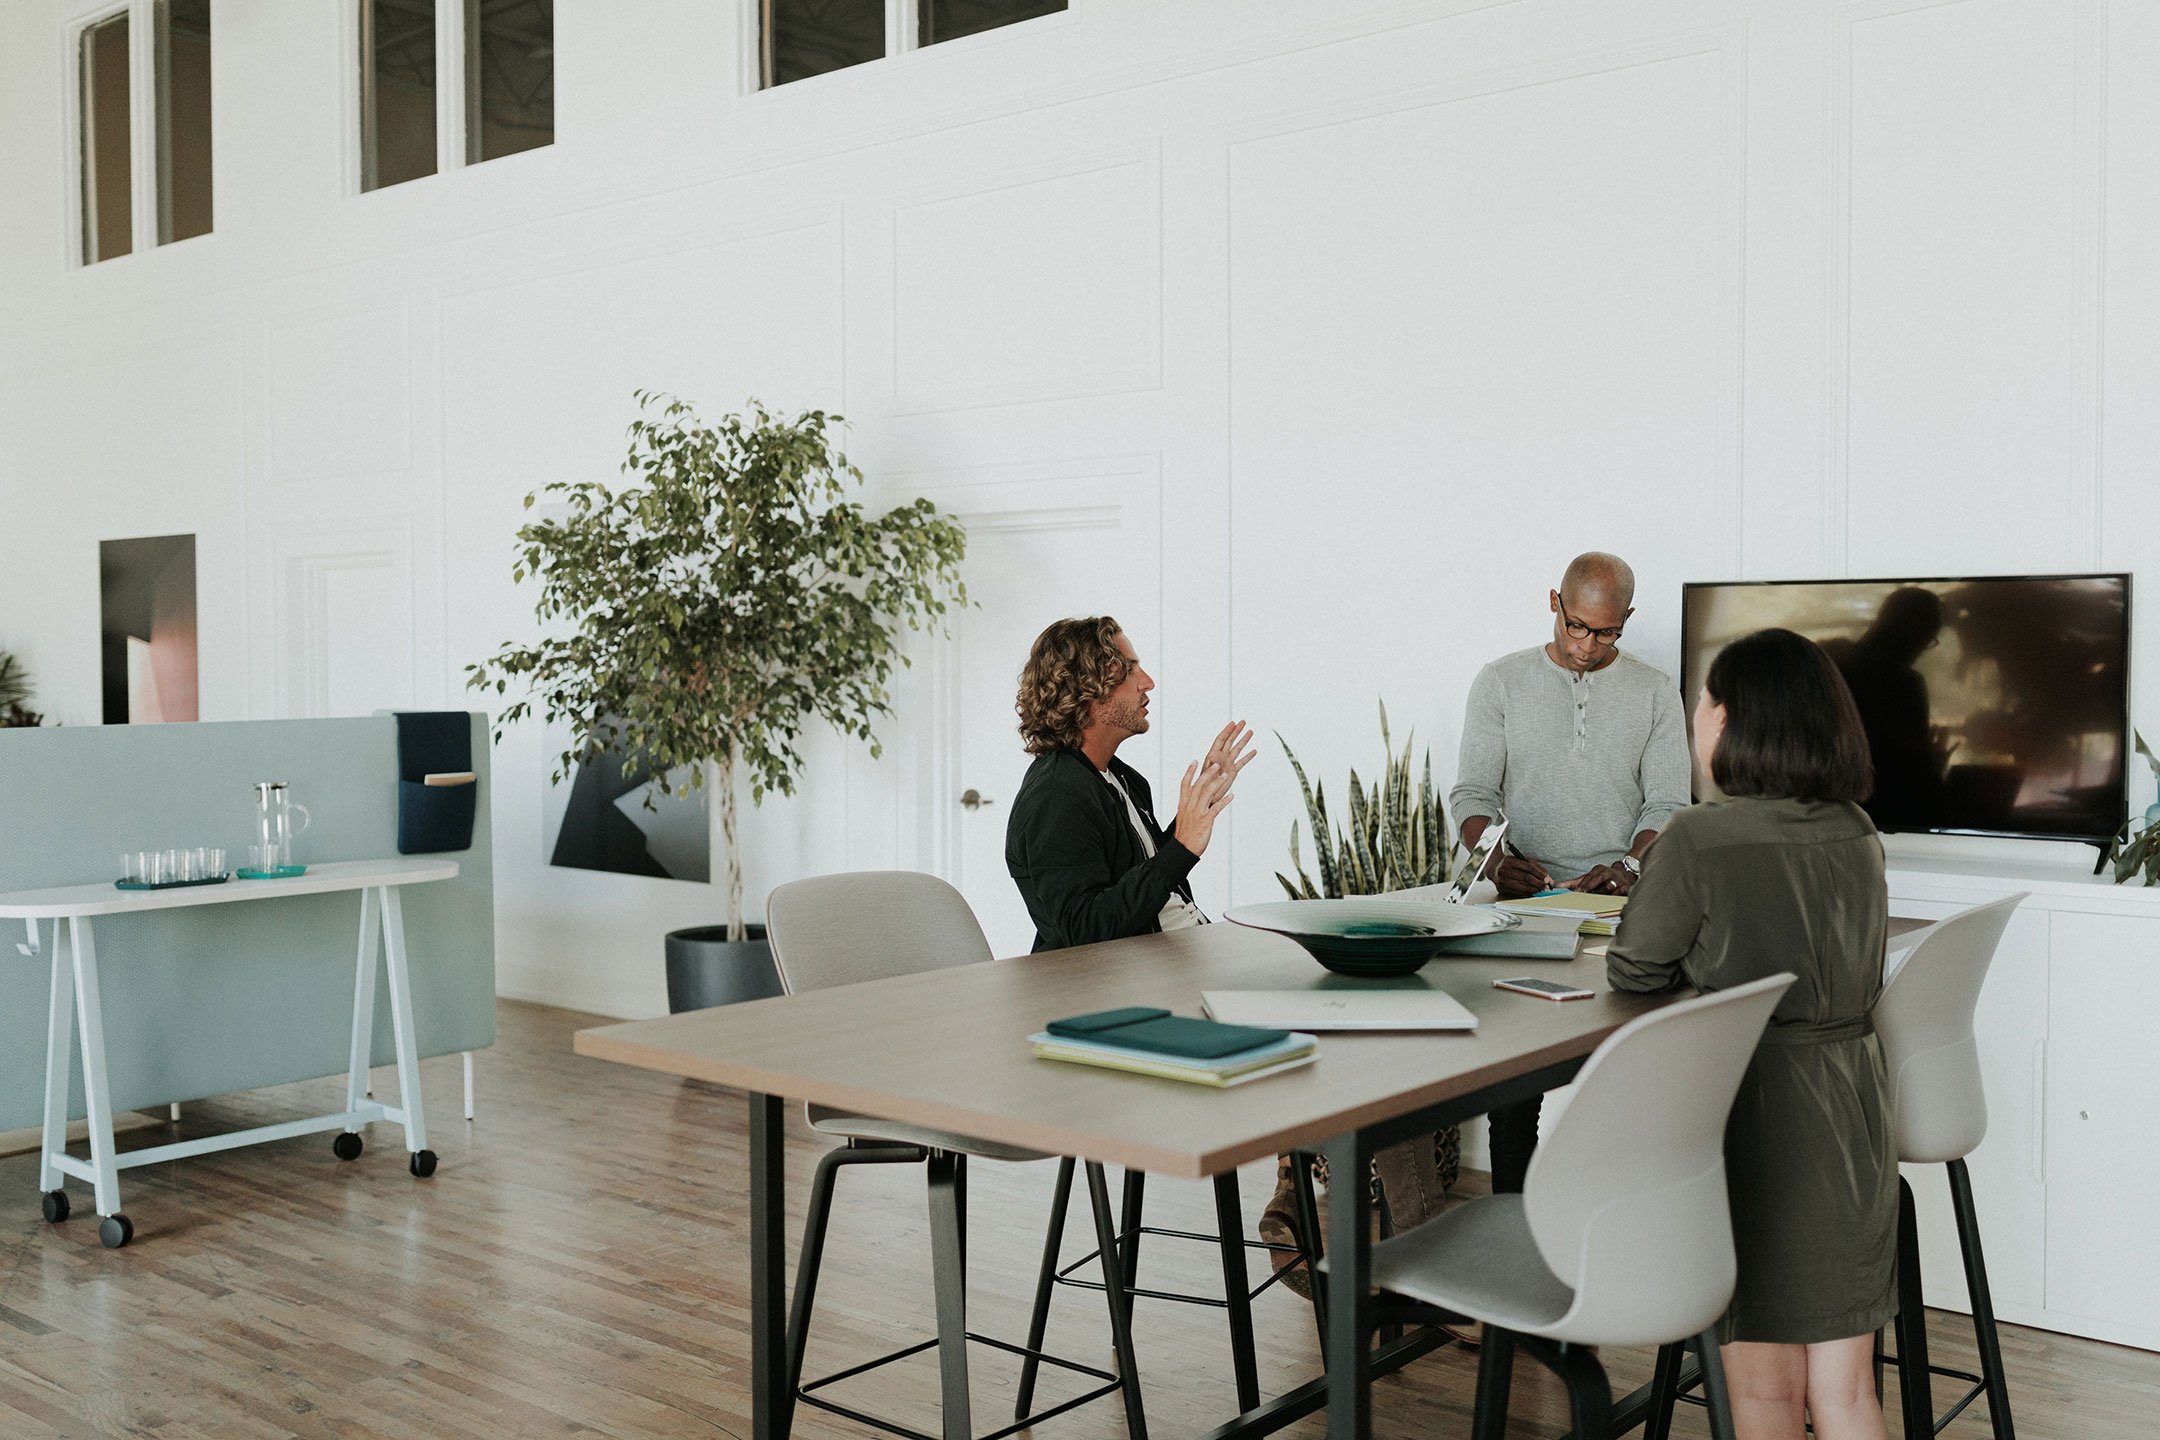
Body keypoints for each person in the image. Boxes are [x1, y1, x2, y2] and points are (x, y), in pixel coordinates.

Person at [1606, 627, 1895, 1440]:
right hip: (1855, 1121)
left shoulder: (1698, 838)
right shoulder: (1858, 830)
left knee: (1763, 1395)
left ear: (1730, 720)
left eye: (1704, 701)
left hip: (1759, 1125)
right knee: (1845, 1394)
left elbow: (1634, 972)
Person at [1448, 552, 1691, 1199]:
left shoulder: (1654, 690)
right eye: (1576, 626)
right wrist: (1497, 860)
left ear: (1627, 621)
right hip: (1522, 905)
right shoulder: (1499, 682)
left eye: (1606, 632)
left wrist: (1632, 866)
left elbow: (1669, 803)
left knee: (1626, 1067)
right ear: (1553, 602)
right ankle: (1511, 1223)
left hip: (1619, 909)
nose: (1587, 645)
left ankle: (1615, 1228)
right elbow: (1471, 794)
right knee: (1513, 1075)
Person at [1005, 615, 1253, 952]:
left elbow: (1143, 880)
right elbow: (1085, 930)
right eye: (1129, 670)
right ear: (1086, 688)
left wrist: (1197, 808)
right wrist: (1182, 848)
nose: (1147, 682)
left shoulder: (1120, 778)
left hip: (1181, 952)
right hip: (1132, 980)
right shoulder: (1056, 797)